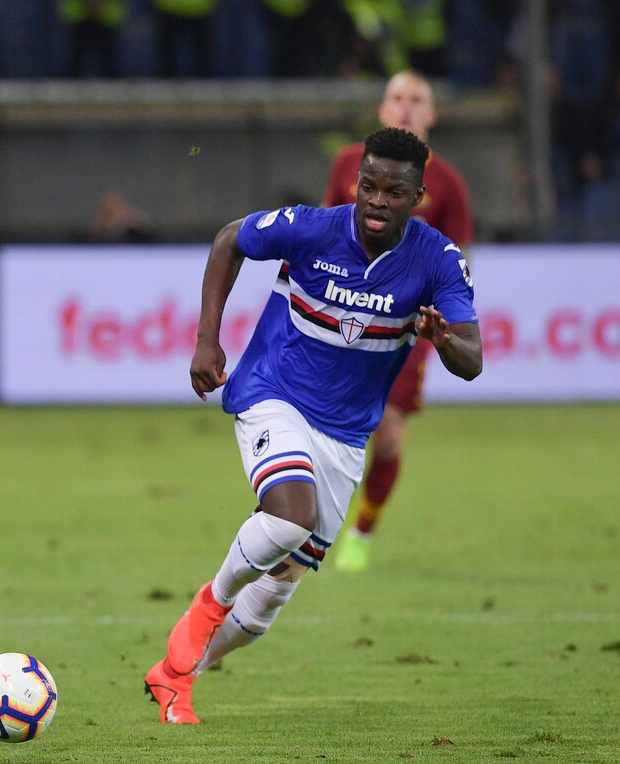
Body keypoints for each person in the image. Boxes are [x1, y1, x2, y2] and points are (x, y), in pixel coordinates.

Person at [144, 126, 481, 724]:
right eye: (368, 186)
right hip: (273, 392)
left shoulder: (438, 259)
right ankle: (207, 607)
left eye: (393, 192)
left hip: (345, 436)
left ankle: (175, 675)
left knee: (270, 599)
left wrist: (443, 337)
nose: (377, 200)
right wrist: (206, 340)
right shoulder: (312, 228)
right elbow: (229, 240)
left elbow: (472, 360)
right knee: (289, 516)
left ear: (418, 196)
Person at [323, 70, 473, 572]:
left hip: (404, 328)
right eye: (397, 97)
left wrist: (443, 315)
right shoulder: (346, 164)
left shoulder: (447, 184)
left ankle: (362, 531)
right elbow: (322, 233)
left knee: (386, 434)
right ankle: (307, 517)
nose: (406, 106)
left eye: (416, 99)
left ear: (431, 113)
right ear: (383, 110)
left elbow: (459, 262)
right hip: (341, 315)